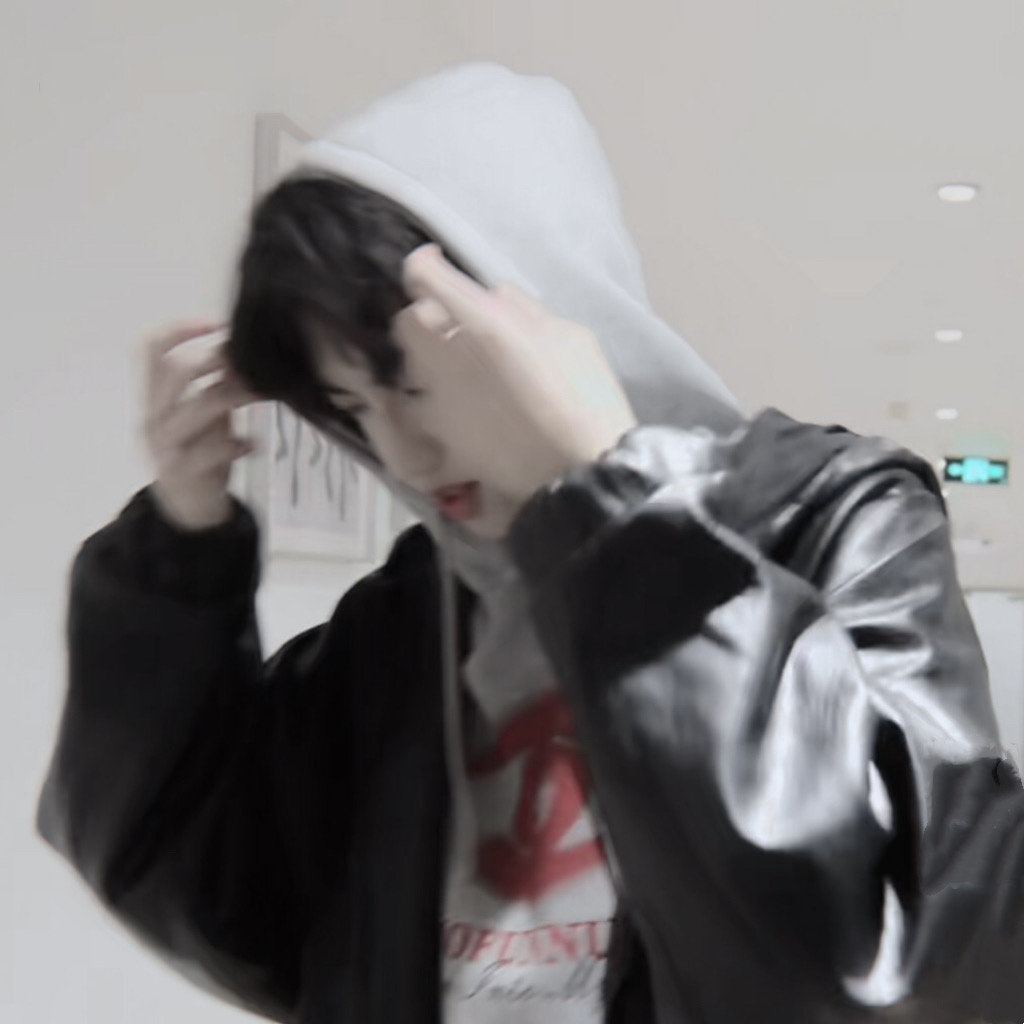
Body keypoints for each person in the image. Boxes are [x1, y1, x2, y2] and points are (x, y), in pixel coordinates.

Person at [37, 62, 1024, 1024]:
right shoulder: (416, 608)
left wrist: (612, 507)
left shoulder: (829, 514)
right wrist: (178, 555)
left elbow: (915, 969)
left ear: (542, 317)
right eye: (352, 404)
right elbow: (216, 897)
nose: (402, 451)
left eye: (414, 380)